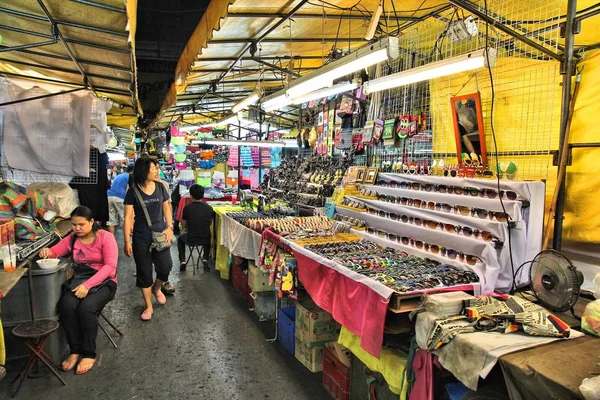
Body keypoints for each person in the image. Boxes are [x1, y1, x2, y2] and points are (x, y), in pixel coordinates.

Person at [39, 206, 118, 375]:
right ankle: (75, 351)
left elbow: (110, 267)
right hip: (80, 279)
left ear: (92, 222)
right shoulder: (73, 238)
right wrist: (47, 252)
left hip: (105, 282)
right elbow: (55, 251)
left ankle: (89, 353)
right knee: (66, 305)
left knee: (86, 308)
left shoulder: (106, 237)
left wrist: (87, 286)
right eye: (74, 225)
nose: (77, 228)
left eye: (81, 224)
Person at [123, 157, 174, 321]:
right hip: (141, 236)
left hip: (160, 234)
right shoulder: (133, 191)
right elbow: (128, 217)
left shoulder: (160, 187)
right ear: (144, 170)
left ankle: (156, 288)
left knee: (166, 267)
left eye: (157, 168)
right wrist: (126, 241)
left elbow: (167, 206)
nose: (157, 170)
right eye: (154, 168)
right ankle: (148, 306)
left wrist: (169, 226)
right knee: (144, 272)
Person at [178, 185, 214, 271]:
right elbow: (209, 223)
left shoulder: (187, 208)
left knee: (180, 239)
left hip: (191, 238)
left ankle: (182, 261)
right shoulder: (209, 208)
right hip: (205, 239)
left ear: (191, 195)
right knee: (207, 235)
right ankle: (205, 258)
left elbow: (184, 224)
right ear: (203, 195)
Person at [106, 164, 133, 234]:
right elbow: (129, 190)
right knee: (126, 220)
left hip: (109, 197)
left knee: (111, 221)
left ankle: (111, 241)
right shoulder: (130, 176)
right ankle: (127, 240)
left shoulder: (119, 175)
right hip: (119, 198)